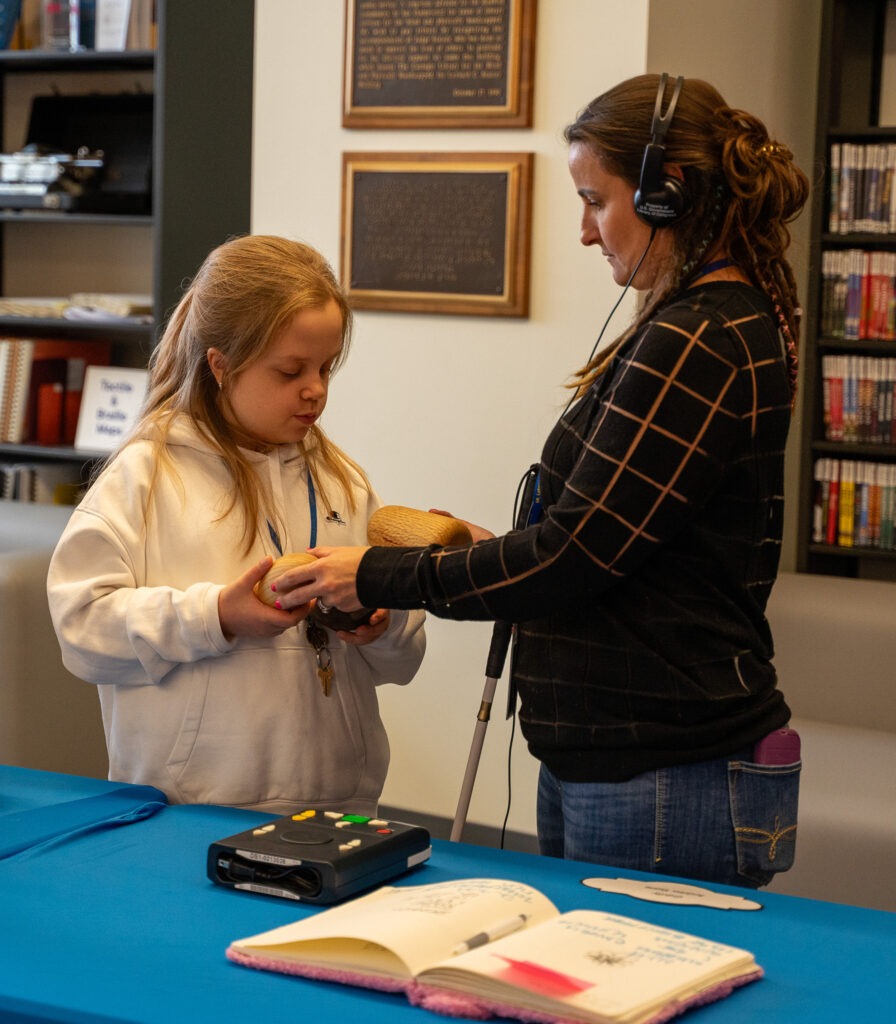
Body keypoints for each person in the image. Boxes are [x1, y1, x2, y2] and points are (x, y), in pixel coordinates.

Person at [269, 74, 811, 889]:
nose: (588, 232)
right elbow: (618, 541)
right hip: (630, 763)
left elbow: (574, 559)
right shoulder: (704, 321)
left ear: (666, 193)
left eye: (597, 200)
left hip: (658, 770)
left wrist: (373, 573)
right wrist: (499, 548)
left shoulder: (698, 338)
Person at [47, 234, 425, 815]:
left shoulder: (340, 481)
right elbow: (82, 634)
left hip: (339, 802)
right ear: (221, 365)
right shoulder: (146, 476)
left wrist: (379, 621)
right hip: (188, 808)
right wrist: (215, 616)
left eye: (326, 368)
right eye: (290, 370)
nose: (316, 390)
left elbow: (402, 662)